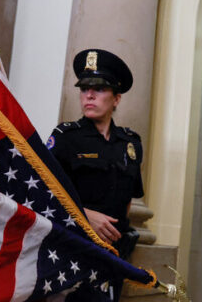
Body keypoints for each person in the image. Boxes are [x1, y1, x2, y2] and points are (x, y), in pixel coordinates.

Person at [47, 49, 143, 255]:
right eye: (84, 89)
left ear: (116, 99)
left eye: (99, 89)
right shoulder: (66, 137)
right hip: (74, 246)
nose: (89, 95)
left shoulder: (130, 143)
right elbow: (46, 191)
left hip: (116, 251)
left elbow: (127, 199)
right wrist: (85, 215)